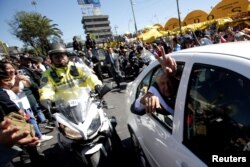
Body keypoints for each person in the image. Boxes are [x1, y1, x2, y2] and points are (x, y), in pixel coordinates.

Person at [39, 42, 103, 108]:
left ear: (67, 56)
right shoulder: (47, 74)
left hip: (86, 103)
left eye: (62, 56)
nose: (60, 59)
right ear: (52, 59)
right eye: (56, 57)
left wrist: (97, 85)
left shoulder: (79, 67)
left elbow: (90, 77)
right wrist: (46, 99)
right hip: (65, 108)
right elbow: (46, 89)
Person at [134, 44, 178, 114]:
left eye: (169, 82)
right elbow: (137, 106)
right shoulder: (154, 90)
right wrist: (147, 99)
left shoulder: (180, 85)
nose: (167, 87)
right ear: (157, 83)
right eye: (162, 83)